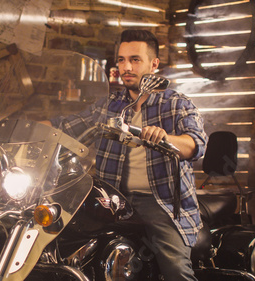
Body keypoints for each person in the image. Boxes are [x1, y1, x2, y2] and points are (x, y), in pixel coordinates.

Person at [45, 29, 207, 280]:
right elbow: (63, 128)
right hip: (109, 200)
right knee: (57, 240)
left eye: (135, 59)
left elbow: (195, 144)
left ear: (154, 64)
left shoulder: (177, 103)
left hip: (159, 201)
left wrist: (165, 137)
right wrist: (12, 128)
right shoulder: (108, 105)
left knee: (175, 267)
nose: (126, 67)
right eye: (121, 60)